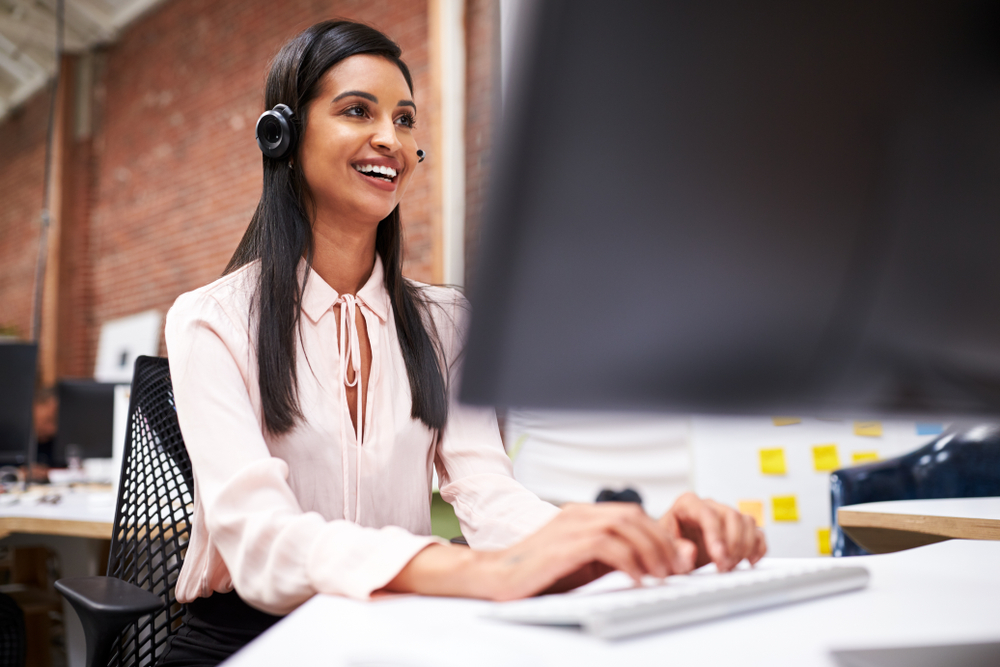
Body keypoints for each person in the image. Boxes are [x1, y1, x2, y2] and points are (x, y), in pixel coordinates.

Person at [162, 20, 766, 665]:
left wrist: (630, 541)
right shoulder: (212, 320)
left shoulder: (445, 321)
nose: (389, 139)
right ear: (282, 133)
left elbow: (486, 493)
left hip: (394, 622)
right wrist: (471, 573)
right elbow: (260, 540)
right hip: (249, 636)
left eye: (405, 119)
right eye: (356, 111)